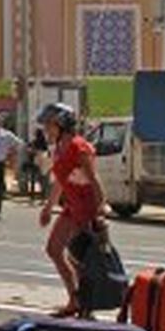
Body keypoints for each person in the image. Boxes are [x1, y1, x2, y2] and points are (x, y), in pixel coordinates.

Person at [38, 102, 108, 318]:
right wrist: (49, 207)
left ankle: (87, 307)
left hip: (87, 208)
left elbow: (95, 180)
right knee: (54, 249)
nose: (45, 130)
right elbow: (59, 181)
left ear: (62, 126)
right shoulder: (58, 149)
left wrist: (101, 209)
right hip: (71, 206)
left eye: (49, 125)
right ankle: (74, 299)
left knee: (81, 258)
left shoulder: (79, 147)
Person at [22, 127, 48, 200]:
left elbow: (28, 149)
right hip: (42, 162)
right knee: (42, 179)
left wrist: (33, 151)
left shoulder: (34, 142)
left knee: (34, 178)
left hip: (35, 161)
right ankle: (43, 195)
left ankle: (33, 196)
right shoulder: (44, 142)